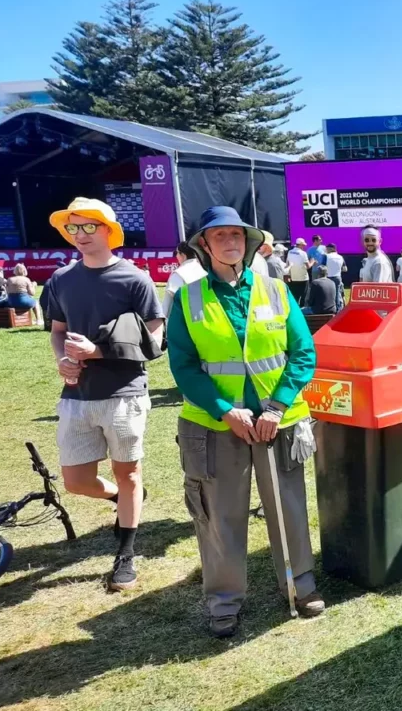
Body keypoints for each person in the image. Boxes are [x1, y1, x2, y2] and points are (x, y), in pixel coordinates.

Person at [167, 206, 324, 637]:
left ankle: (301, 586)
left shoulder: (276, 289)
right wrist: (225, 408)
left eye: (237, 234)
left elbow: (303, 353)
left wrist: (276, 407)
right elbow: (183, 366)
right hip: (216, 427)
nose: (231, 242)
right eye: (220, 236)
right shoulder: (187, 298)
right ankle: (223, 601)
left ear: (249, 242)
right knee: (219, 516)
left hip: (278, 423)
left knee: (288, 508)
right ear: (204, 245)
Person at [46, 197, 164, 591]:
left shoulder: (134, 279)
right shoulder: (61, 280)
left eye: (88, 227)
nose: (80, 235)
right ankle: (126, 499)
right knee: (76, 481)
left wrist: (98, 351)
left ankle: (126, 554)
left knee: (126, 470)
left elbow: (156, 340)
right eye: (73, 228)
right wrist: (63, 360)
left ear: (108, 231)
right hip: (77, 396)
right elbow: (58, 331)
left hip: (124, 392)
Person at [162, 241, 207, 318]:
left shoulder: (179, 273)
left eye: (177, 253)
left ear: (183, 255)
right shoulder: (205, 270)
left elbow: (167, 303)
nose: (176, 256)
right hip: (207, 317)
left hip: (184, 319)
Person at [286, 238, 310, 305]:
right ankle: (302, 312)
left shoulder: (290, 252)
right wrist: (312, 262)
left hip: (293, 278)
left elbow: (287, 264)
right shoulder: (303, 253)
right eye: (303, 245)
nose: (304, 247)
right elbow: (308, 266)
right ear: (301, 245)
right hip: (303, 278)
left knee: (294, 297)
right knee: (303, 297)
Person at [324, 243, 346, 312]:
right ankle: (338, 310)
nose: (326, 250)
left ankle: (329, 309)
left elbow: (322, 267)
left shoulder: (326, 256)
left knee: (328, 294)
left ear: (331, 249)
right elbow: (345, 269)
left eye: (327, 248)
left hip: (328, 277)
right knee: (337, 294)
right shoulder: (340, 257)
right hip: (337, 277)